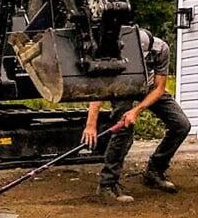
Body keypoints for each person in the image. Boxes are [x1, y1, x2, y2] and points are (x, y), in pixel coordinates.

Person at [82, 27, 191, 204]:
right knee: (124, 128)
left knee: (181, 125)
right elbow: (100, 88)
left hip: (149, 89)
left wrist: (136, 110)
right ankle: (107, 184)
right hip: (123, 89)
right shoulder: (115, 51)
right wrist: (91, 124)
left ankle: (155, 170)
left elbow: (159, 88)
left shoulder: (160, 48)